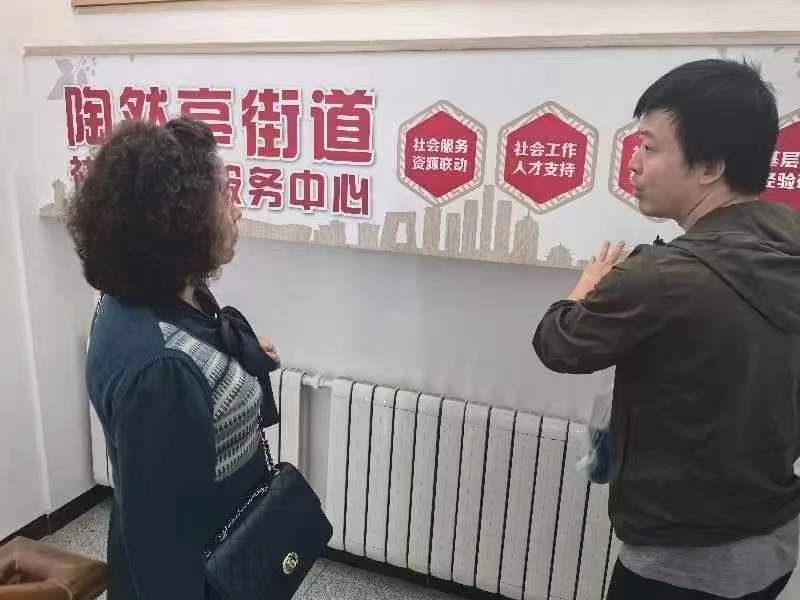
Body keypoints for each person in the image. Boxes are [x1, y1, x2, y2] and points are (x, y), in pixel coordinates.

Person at [533, 59, 800, 599]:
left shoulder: (661, 277)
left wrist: (587, 285)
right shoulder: (788, 241)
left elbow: (558, 343)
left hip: (681, 558)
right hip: (774, 534)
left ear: (710, 167)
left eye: (650, 147)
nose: (633, 163)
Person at [67, 117, 281, 599]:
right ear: (179, 223)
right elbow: (163, 551)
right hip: (206, 573)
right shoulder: (162, 370)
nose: (237, 209)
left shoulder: (153, 295)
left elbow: (203, 359)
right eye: (223, 196)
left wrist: (237, 363)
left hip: (228, 546)